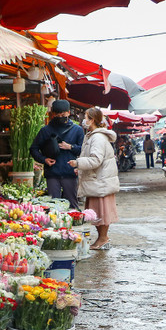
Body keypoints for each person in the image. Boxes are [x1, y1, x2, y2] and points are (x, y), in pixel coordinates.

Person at [68, 107, 119, 250]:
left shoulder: (97, 137)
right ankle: (101, 239)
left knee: (101, 213)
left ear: (92, 120)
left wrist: (78, 163)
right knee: (97, 213)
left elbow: (96, 160)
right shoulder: (92, 135)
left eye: (86, 117)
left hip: (99, 181)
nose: (83, 120)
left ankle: (103, 238)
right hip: (96, 180)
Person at [29, 99, 84, 209]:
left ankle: (73, 224)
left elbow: (83, 150)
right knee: (53, 207)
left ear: (68, 112)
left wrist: (70, 147)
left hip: (70, 173)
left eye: (63, 114)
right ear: (53, 114)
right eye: (57, 114)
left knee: (72, 205)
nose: (60, 116)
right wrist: (44, 159)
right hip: (52, 173)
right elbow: (33, 149)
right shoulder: (46, 130)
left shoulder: (77, 130)